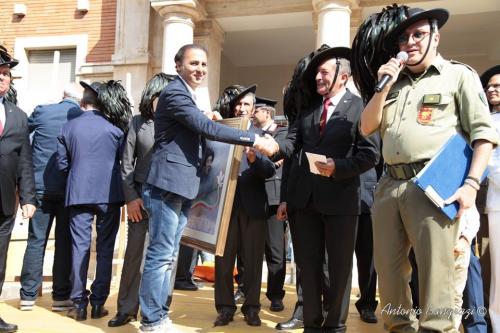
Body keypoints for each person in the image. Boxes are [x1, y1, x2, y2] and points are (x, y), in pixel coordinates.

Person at [359, 7, 498, 333]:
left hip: (434, 187)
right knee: (389, 277)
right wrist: (383, 84)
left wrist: (471, 185)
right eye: (404, 37)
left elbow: (483, 135)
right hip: (389, 186)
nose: (410, 42)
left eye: (419, 34)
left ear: (436, 37)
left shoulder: (458, 75)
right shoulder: (393, 83)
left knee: (439, 281)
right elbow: (367, 126)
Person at [137, 44, 276, 333]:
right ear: (178, 66)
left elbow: (201, 132)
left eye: (203, 64)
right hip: (166, 184)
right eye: (193, 63)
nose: (199, 69)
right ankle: (152, 320)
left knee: (169, 256)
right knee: (161, 255)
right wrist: (252, 139)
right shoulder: (174, 93)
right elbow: (206, 129)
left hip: (183, 186)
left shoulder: (187, 95)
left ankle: (160, 316)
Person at [263, 45, 380, 332]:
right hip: (304, 203)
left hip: (342, 201)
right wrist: (275, 147)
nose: (318, 77)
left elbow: (370, 155)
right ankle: (312, 325)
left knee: (340, 270)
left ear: (343, 75)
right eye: (317, 72)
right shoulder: (309, 109)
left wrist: (338, 166)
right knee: (308, 267)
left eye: (324, 71)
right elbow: (292, 143)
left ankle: (335, 326)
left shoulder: (362, 107)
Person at [57, 80, 132, 321]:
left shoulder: (68, 127)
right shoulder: (115, 130)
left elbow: (62, 164)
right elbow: (124, 163)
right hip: (108, 195)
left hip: (78, 192)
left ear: (83, 103)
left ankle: (79, 303)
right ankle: (98, 303)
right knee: (105, 249)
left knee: (79, 247)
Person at [108, 73, 175, 327]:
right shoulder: (137, 123)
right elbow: (126, 166)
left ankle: (159, 309)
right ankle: (126, 308)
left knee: (166, 257)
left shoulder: (179, 123)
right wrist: (131, 199)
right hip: (141, 201)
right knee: (135, 255)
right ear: (152, 97)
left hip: (170, 201)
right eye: (163, 96)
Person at [213, 85, 275, 327]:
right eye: (238, 104)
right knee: (223, 261)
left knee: (252, 261)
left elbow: (269, 170)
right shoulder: (220, 132)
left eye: (246, 105)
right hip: (225, 207)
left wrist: (254, 158)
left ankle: (252, 308)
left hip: (253, 207)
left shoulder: (263, 136)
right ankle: (225, 307)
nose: (240, 108)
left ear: (253, 110)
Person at [19, 84, 83, 312]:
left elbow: (21, 133)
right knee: (64, 244)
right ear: (79, 100)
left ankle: (27, 296)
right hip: (68, 190)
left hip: (40, 186)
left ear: (63, 97)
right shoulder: (81, 116)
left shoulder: (43, 111)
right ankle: (60, 297)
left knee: (36, 241)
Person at [0, 45, 36, 333]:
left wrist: (28, 197)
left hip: (3, 204)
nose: (3, 78)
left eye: (6, 74)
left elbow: (25, 159)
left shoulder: (18, 115)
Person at [251, 96, 288, 312]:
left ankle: (276, 294)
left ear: (268, 112)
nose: (253, 113)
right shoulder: (251, 133)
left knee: (275, 250)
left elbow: (277, 156)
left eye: (256, 109)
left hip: (274, 198)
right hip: (254, 195)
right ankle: (246, 289)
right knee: (250, 249)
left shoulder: (281, 132)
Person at [482, 65, 500, 332]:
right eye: (489, 87)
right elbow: (489, 163)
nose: (491, 90)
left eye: (497, 86)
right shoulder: (486, 121)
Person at [354, 167, 379, 324]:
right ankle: (331, 305)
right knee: (335, 259)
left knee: (368, 258)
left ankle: (367, 305)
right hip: (338, 198)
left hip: (369, 196)